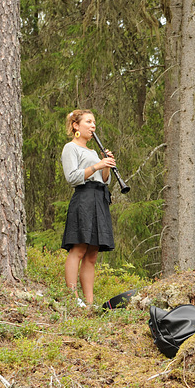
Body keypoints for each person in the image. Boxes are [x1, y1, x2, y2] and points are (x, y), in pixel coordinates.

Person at [61, 109, 117, 308]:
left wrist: (106, 166)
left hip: (99, 198)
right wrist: (97, 165)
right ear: (76, 125)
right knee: (79, 248)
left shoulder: (94, 152)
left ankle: (90, 302)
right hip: (84, 198)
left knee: (92, 253)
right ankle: (72, 297)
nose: (93, 126)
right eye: (88, 122)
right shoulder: (71, 148)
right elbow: (72, 177)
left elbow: (105, 180)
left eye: (94, 122)